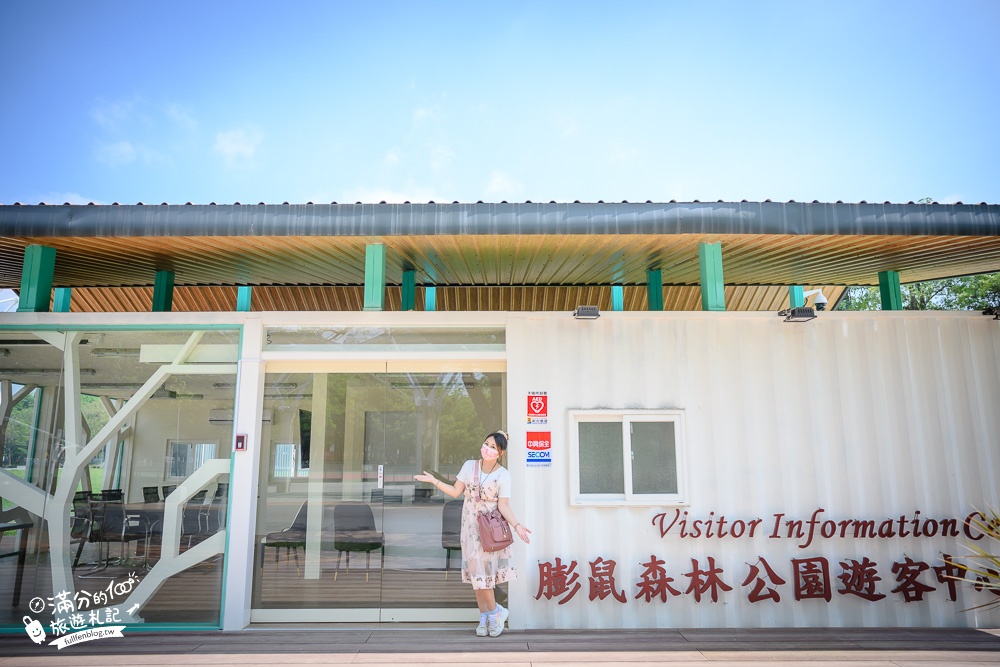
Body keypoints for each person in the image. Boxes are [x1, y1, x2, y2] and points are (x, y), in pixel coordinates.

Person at [414, 430, 531, 637]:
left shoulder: (503, 475)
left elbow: (503, 506)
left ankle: (495, 613)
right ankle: (484, 616)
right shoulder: (469, 466)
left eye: (493, 447)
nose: (487, 449)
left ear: (500, 453)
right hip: (469, 528)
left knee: (482, 575)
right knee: (476, 575)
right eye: (486, 443)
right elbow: (456, 491)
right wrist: (435, 481)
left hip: (488, 531)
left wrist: (517, 525)